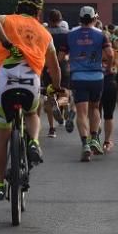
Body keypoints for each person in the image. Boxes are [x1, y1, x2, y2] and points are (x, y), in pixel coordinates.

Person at [0, 0, 62, 200]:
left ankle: (0, 184)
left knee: (1, 136)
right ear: (39, 11)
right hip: (31, 84)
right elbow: (54, 68)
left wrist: (6, 42)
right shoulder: (45, 34)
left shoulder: (9, 20)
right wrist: (56, 87)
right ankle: (34, 143)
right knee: (32, 114)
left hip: (5, 83)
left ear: (18, 6)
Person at [66, 6, 114, 162]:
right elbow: (110, 54)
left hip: (78, 76)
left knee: (81, 113)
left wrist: (71, 61)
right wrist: (107, 67)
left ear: (80, 19)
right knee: (95, 108)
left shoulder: (70, 35)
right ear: (94, 19)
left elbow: (61, 56)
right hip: (97, 77)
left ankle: (85, 144)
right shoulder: (102, 35)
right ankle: (95, 138)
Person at [43, 9, 71, 139]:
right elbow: (68, 52)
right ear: (60, 20)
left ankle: (51, 128)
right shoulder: (67, 34)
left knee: (50, 95)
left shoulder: (43, 33)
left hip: (46, 66)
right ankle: (60, 104)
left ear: (49, 20)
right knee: (64, 92)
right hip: (63, 66)